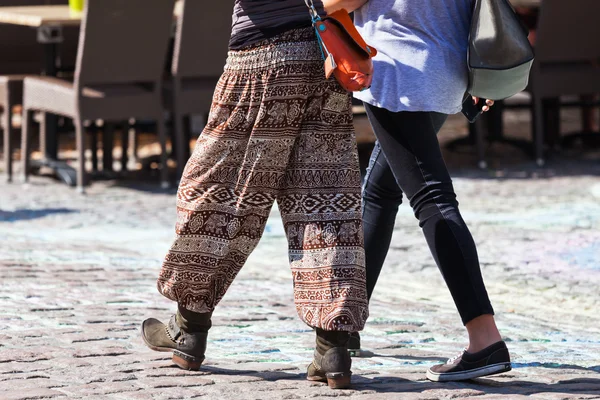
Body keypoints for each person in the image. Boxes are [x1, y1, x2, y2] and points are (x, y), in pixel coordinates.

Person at [141, 0, 371, 390]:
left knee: (217, 191)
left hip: (259, 58)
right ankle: (332, 346)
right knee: (325, 203)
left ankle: (190, 327)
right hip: (324, 58)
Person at [349, 0, 512, 382]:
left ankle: (484, 338)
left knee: (433, 200)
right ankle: (344, 324)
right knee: (379, 192)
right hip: (445, 67)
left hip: (399, 67)